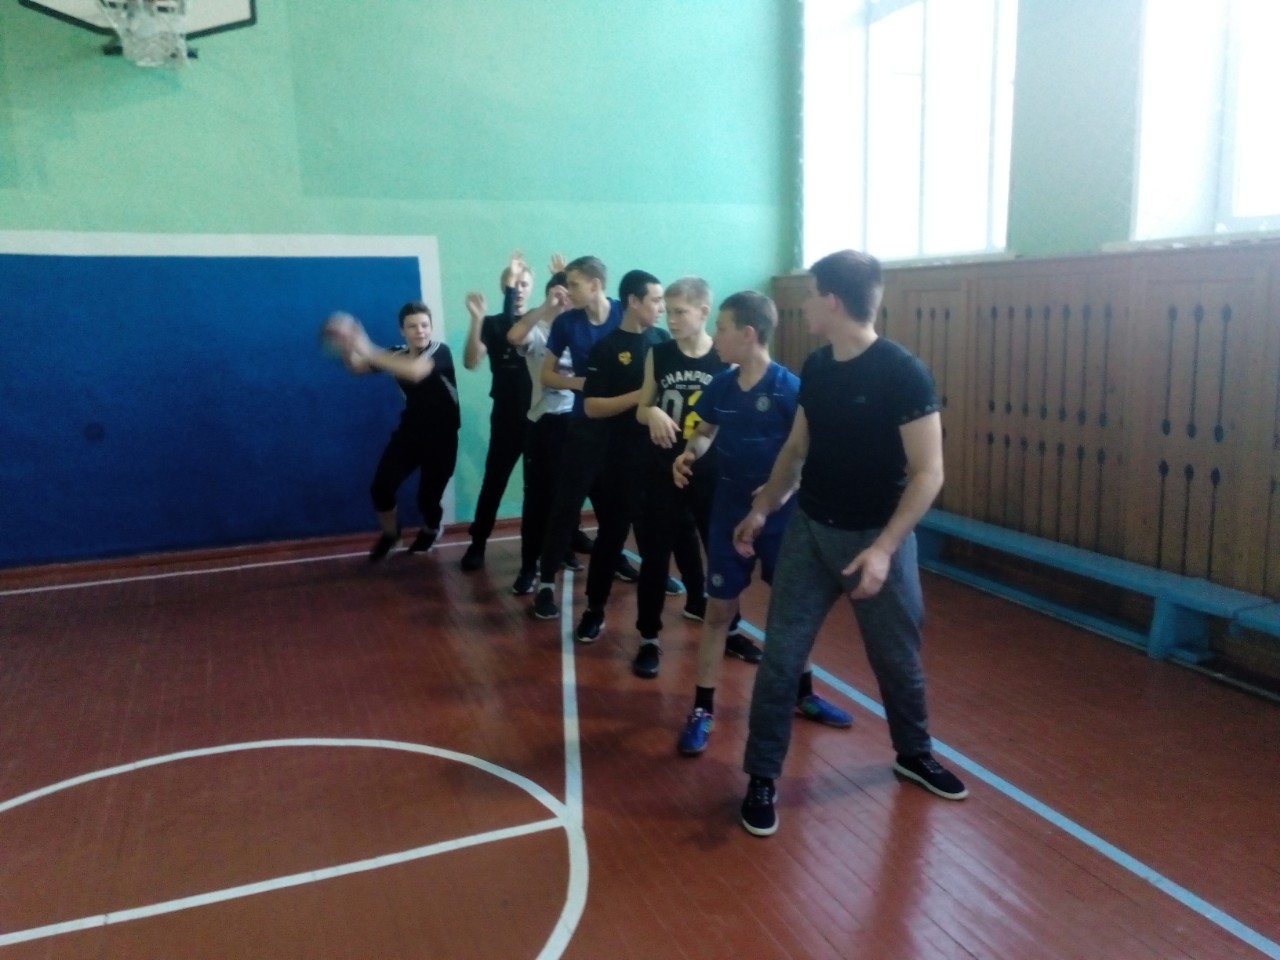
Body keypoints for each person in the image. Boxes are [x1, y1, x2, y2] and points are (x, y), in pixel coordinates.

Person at [735, 250, 967, 839]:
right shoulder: (817, 366)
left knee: (897, 659)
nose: (805, 304)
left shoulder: (903, 373)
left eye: (812, 294)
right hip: (811, 532)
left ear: (833, 301)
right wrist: (763, 508)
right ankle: (761, 776)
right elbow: (796, 450)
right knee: (781, 659)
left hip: (876, 538)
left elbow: (929, 473)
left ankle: (913, 754)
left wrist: (885, 549)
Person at [670, 291, 850, 756]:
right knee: (718, 611)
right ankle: (703, 708)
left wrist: (777, 492)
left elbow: (808, 452)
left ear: (748, 334)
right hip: (728, 511)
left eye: (722, 328)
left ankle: (804, 694)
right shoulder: (721, 386)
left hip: (782, 518)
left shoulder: (789, 389)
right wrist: (690, 453)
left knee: (790, 612)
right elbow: (705, 430)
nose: (715, 337)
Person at [631, 277, 755, 679]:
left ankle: (730, 630)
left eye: (680, 312)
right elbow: (641, 407)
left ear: (703, 312)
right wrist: (651, 412)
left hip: (710, 473)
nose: (671, 319)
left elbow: (732, 419)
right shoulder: (659, 354)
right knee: (655, 556)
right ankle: (648, 637)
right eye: (667, 311)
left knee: (721, 554)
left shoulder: (723, 359)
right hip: (660, 470)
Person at [571, 269, 672, 641]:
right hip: (620, 458)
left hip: (660, 458)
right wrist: (640, 397)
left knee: (656, 540)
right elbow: (592, 406)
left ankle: (651, 627)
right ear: (633, 301)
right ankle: (594, 609)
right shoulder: (607, 348)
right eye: (655, 301)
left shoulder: (663, 341)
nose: (662, 308)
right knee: (612, 537)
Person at [529, 256, 625, 621]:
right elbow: (547, 376)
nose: (568, 291)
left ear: (596, 285)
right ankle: (546, 583)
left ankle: (617, 564)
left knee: (618, 508)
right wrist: (584, 383)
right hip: (584, 425)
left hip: (623, 429)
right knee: (565, 506)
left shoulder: (624, 315)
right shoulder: (567, 322)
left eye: (574, 284)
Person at [340, 302, 460, 562]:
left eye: (425, 325)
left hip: (442, 438)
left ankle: (431, 528)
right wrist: (346, 345)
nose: (420, 331)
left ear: (431, 328)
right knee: (381, 488)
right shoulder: (394, 353)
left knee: (427, 500)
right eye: (413, 326)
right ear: (402, 331)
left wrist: (367, 347)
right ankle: (391, 534)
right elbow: (356, 367)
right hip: (410, 433)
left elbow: (415, 371)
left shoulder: (439, 351)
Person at [459, 252, 535, 572]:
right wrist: (476, 319)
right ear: (504, 287)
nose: (519, 289)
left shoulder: (540, 320)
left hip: (538, 417)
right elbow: (470, 361)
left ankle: (541, 549)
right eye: (513, 284)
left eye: (524, 284)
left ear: (531, 289)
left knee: (540, 485)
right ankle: (477, 543)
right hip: (506, 415)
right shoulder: (492, 324)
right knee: (494, 480)